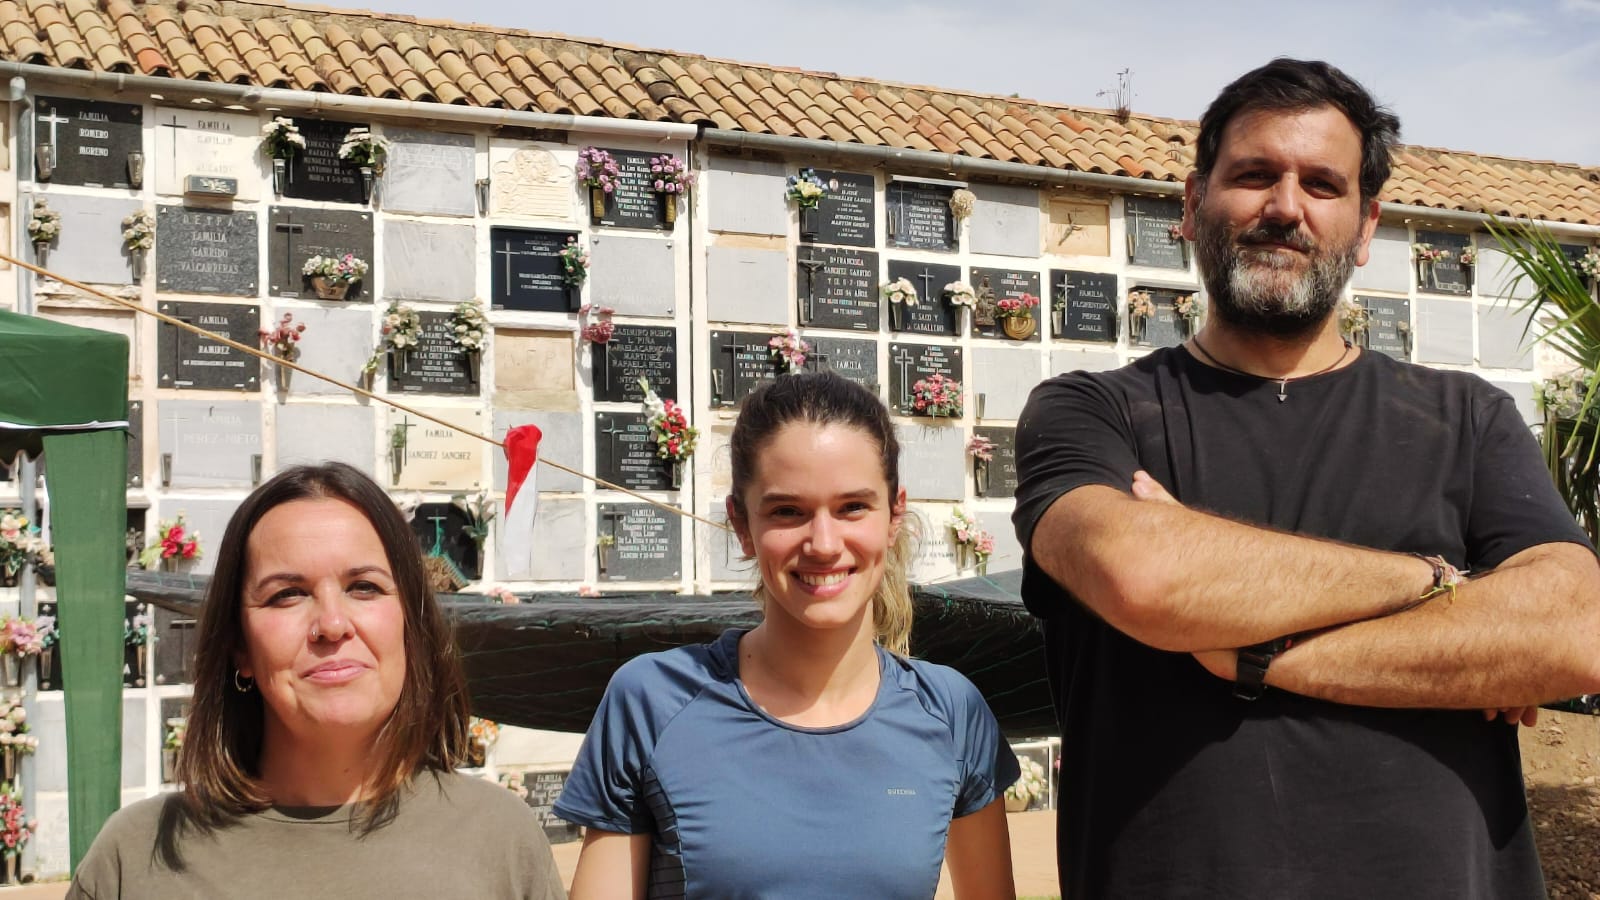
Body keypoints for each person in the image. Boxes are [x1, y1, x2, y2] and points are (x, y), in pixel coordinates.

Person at [1013, 58, 1600, 899]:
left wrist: (1252, 654)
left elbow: (1575, 632)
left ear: (1366, 225)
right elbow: (1143, 575)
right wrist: (1438, 586)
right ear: (1191, 205)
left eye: (1322, 184)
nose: (1285, 207)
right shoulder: (1092, 413)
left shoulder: (1467, 419)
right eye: (1254, 175)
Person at [555, 372, 1019, 899]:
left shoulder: (953, 713)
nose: (823, 543)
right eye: (787, 512)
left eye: (852, 507)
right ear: (741, 524)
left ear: (894, 515)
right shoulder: (651, 702)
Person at [69, 463, 566, 899]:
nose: (332, 624)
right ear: (239, 646)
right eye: (287, 594)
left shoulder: (501, 839)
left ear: (411, 627)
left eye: (364, 587)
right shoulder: (136, 857)